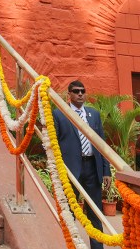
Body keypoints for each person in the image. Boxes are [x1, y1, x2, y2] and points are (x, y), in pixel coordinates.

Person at [52, 80, 111, 249]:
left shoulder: (94, 115)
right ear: (69, 94)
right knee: (69, 213)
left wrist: (106, 170)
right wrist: (57, 170)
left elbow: (102, 144)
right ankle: (70, 245)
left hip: (93, 168)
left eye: (82, 91)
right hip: (70, 171)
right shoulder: (59, 114)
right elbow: (53, 144)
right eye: (76, 91)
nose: (80, 94)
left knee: (95, 213)